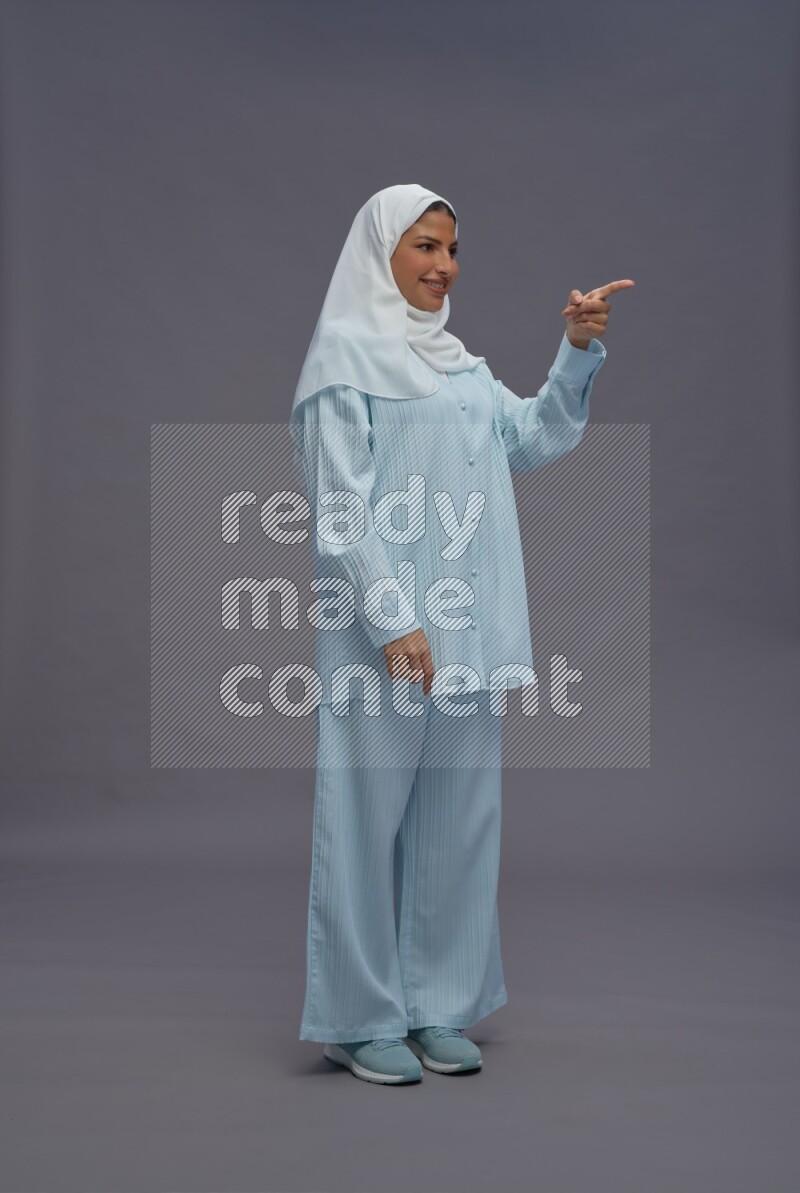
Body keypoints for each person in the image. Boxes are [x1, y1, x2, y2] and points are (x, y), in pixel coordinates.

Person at [289, 183, 633, 1085]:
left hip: (470, 633)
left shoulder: (460, 367)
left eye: (452, 250)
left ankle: (437, 1003)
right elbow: (337, 506)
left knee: (457, 820)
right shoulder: (346, 359)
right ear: (381, 253)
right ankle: (358, 1017)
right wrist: (394, 619)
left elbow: (529, 438)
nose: (443, 266)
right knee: (364, 820)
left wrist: (577, 350)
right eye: (424, 247)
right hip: (385, 637)